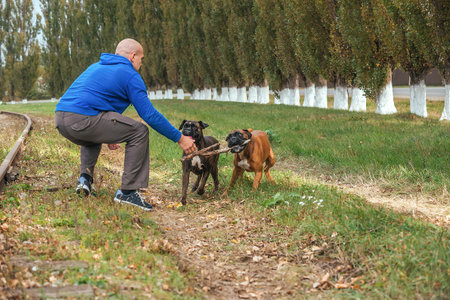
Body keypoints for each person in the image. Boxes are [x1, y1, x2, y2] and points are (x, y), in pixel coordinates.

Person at [55, 38, 197, 211]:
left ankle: (85, 180)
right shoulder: (130, 75)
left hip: (61, 118)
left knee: (91, 137)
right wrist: (180, 138)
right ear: (132, 56)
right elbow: (149, 115)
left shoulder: (96, 67)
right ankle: (128, 192)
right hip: (82, 119)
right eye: (141, 59)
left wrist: (108, 132)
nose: (141, 64)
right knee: (140, 131)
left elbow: (98, 102)